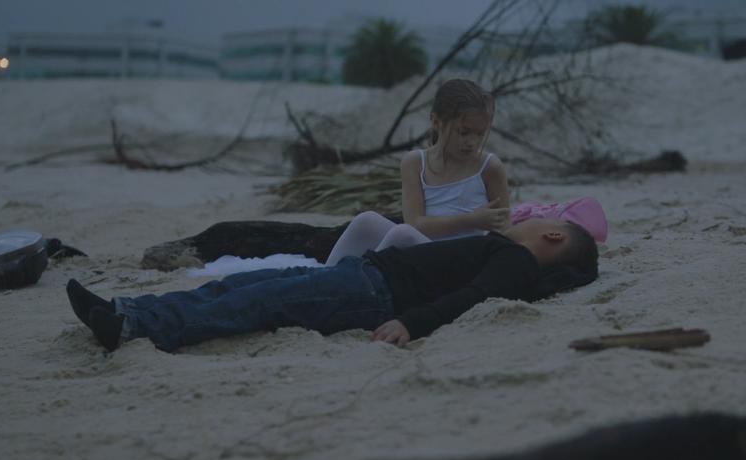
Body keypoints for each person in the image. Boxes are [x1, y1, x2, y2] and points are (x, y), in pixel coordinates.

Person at [66, 218, 599, 353]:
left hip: (373, 296)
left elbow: (473, 299)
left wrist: (411, 323)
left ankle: (134, 326)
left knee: (255, 301)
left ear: (551, 234)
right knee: (246, 284)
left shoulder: (518, 265)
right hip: (360, 276)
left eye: (541, 219)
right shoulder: (509, 254)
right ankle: (127, 307)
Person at [325, 78, 510, 266]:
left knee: (402, 233)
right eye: (464, 132)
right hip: (421, 248)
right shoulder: (415, 162)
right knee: (366, 220)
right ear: (436, 121)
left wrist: (476, 225)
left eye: (480, 134)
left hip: (459, 259)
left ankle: (362, 277)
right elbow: (415, 224)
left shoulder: (489, 167)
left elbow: (504, 230)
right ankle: (327, 275)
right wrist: (471, 219)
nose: (472, 142)